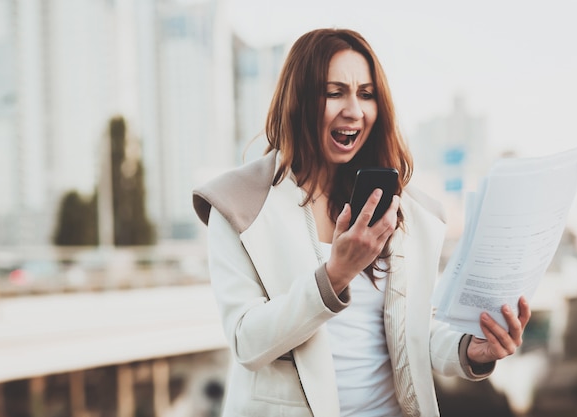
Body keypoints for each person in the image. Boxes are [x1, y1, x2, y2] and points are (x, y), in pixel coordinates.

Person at [193, 28, 531, 417]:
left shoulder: (403, 210)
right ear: (299, 99)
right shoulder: (238, 204)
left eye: (366, 94)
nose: (354, 110)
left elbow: (412, 333)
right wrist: (336, 273)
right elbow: (247, 342)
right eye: (334, 92)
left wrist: (470, 349)